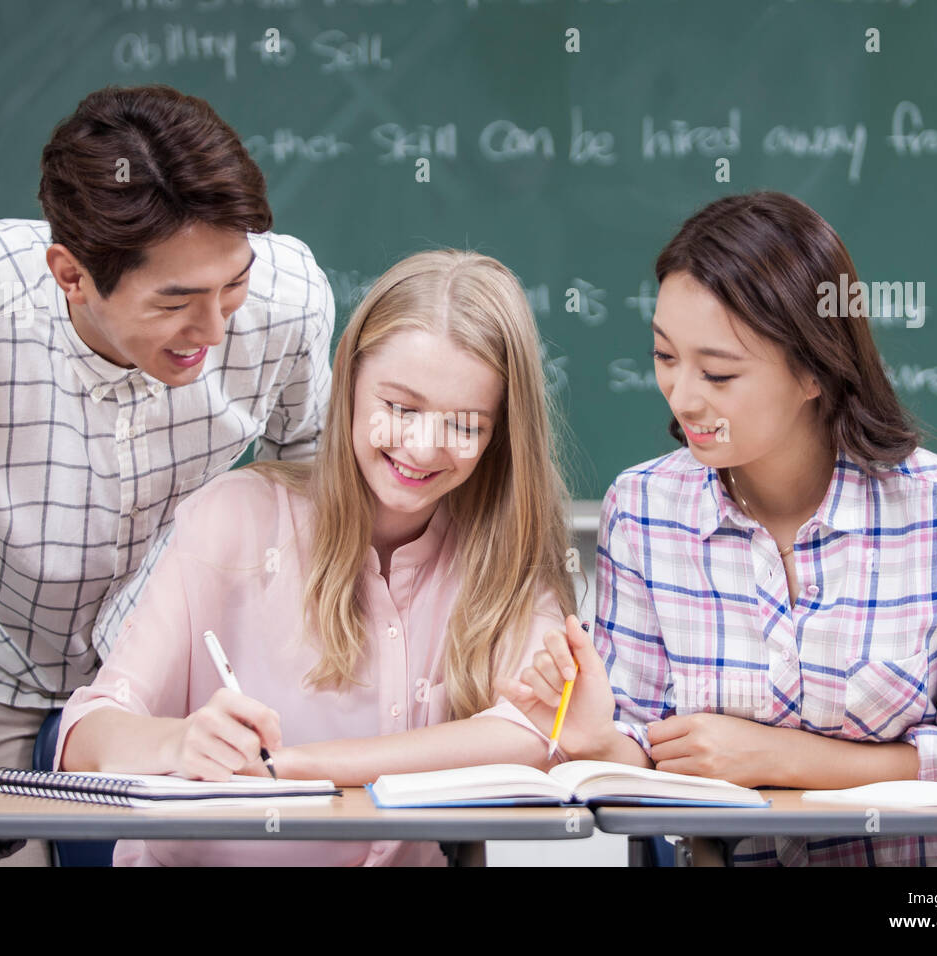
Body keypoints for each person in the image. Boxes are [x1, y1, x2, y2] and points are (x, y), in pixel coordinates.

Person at [0, 84, 334, 866]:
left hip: (164, 666)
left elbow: (322, 489)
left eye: (233, 286)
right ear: (71, 274)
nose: (216, 330)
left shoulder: (287, 300)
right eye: (178, 301)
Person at [498, 191, 937, 866]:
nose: (683, 397)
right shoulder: (642, 510)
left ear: (815, 369)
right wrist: (598, 742)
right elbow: (637, 744)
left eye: (719, 372)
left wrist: (779, 757)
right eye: (666, 357)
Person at [58, 249, 581, 866]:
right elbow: (87, 735)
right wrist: (179, 743)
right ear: (349, 378)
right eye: (401, 407)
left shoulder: (501, 552)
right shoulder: (237, 517)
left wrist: (304, 767)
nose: (421, 447)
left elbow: (534, 733)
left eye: (466, 424)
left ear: (499, 432)